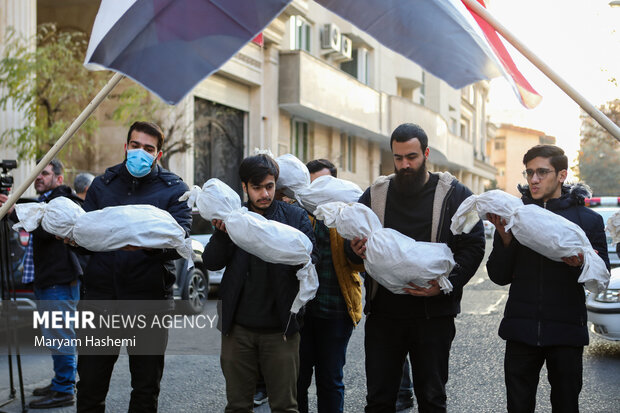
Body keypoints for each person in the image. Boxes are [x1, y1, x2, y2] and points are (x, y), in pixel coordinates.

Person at [346, 123, 485, 413]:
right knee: (379, 399)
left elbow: (473, 246)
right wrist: (355, 249)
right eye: (398, 158)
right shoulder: (376, 193)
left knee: (432, 399)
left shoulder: (455, 194)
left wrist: (444, 285)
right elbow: (352, 244)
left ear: (426, 153)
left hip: (433, 316)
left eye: (411, 157)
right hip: (385, 316)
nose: (404, 164)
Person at [75, 121, 191, 412]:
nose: (141, 152)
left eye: (148, 149)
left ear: (158, 155)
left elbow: (181, 238)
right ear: (126, 147)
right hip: (100, 301)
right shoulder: (103, 185)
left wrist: (146, 246)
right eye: (135, 146)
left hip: (148, 301)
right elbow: (86, 234)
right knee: (90, 386)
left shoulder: (174, 189)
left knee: (145, 388)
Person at [486, 144, 610, 413]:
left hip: (566, 332)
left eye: (542, 172)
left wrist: (580, 265)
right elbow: (498, 276)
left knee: (566, 406)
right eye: (529, 172)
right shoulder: (516, 216)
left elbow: (601, 278)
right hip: (520, 330)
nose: (533, 180)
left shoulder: (587, 221)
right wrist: (506, 240)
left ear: (562, 175)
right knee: (518, 407)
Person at [203, 154, 318, 413]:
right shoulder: (234, 219)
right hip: (238, 330)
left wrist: (295, 253)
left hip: (281, 330)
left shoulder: (295, 217)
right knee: (238, 405)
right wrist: (222, 235)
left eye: (270, 186)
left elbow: (313, 259)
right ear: (244, 187)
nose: (265, 194)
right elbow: (211, 262)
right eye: (257, 188)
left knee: (285, 406)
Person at [0, 159, 82, 409]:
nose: (38, 177)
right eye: (36, 173)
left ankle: (65, 390)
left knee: (60, 335)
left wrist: (14, 210)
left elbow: (48, 228)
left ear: (59, 177)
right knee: (53, 335)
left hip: (59, 280)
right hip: (49, 280)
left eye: (44, 173)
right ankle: (61, 382)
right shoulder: (43, 202)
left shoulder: (62, 200)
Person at [297, 159, 363, 413]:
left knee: (330, 380)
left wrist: (357, 250)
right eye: (312, 186)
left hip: (336, 309)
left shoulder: (348, 214)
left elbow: (359, 263)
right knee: (297, 380)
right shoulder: (297, 213)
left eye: (324, 185)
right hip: (302, 312)